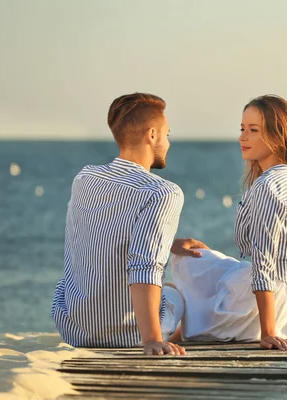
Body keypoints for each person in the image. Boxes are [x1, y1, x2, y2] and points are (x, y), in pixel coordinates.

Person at [169, 94, 287, 351]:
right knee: (201, 258)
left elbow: (264, 262)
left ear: (278, 137)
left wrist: (269, 332)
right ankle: (181, 326)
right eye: (242, 129)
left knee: (186, 263)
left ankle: (171, 326)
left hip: (272, 312)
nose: (242, 137)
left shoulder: (268, 186)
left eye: (254, 130)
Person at [51, 92, 188, 356]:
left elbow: (103, 233)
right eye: (167, 135)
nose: (168, 143)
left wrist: (169, 243)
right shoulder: (162, 192)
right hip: (128, 336)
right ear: (152, 135)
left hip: (74, 329)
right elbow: (144, 266)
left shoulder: (84, 178)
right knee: (180, 294)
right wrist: (151, 340)